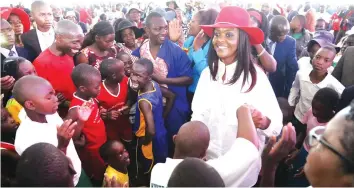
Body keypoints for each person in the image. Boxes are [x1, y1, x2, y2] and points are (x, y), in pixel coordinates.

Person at [191, 6, 282, 160]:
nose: (220, 40)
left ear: (243, 39)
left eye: (229, 35)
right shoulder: (208, 74)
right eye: (217, 34)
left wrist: (264, 122)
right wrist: (196, 146)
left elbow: (276, 126)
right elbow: (198, 115)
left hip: (242, 166)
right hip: (209, 161)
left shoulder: (256, 77)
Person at [151, 105, 262, 187]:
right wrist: (243, 110)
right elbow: (248, 150)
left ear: (174, 139)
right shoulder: (210, 175)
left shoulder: (158, 170)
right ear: (204, 154)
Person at [132, 12, 192, 157]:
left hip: (174, 102)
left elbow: (188, 78)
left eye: (165, 28)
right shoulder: (141, 50)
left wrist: (163, 80)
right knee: (155, 140)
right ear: (146, 30)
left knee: (174, 138)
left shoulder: (175, 51)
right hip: (152, 105)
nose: (163, 32)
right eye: (157, 29)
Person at [12, 75, 89, 186]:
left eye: (53, 93)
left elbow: (69, 139)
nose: (56, 99)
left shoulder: (49, 113)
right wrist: (61, 145)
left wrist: (81, 121)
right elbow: (48, 175)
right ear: (30, 105)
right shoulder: (26, 140)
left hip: (77, 171)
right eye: (49, 98)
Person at [284, 88, 340, 187]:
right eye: (313, 107)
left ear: (332, 109)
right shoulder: (311, 112)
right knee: (292, 176)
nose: (314, 112)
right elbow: (305, 130)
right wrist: (297, 149)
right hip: (304, 151)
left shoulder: (334, 128)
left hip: (319, 161)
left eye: (318, 110)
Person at [289, 46, 344, 144]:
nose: (320, 62)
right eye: (318, 57)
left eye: (326, 60)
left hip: (317, 122)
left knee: (308, 144)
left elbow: (345, 100)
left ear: (331, 64)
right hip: (298, 115)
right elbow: (295, 88)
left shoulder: (334, 85)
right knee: (293, 139)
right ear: (313, 57)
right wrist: (291, 104)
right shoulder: (301, 74)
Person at [33, 20, 83, 117]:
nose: (79, 46)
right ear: (59, 38)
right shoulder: (41, 63)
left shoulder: (68, 53)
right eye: (75, 42)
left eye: (80, 42)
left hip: (75, 109)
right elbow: (40, 98)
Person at [67, 64, 107, 185]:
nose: (100, 88)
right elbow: (72, 135)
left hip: (101, 142)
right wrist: (81, 121)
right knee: (99, 174)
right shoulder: (75, 109)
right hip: (92, 150)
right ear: (83, 88)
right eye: (96, 87)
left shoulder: (90, 97)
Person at [130, 58, 168, 184]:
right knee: (159, 162)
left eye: (139, 76)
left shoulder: (144, 101)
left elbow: (150, 130)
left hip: (148, 139)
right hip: (161, 132)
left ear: (149, 77)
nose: (134, 78)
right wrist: (162, 117)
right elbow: (171, 96)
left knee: (148, 166)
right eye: (132, 73)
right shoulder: (154, 85)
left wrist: (144, 142)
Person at [183, 8, 218, 105]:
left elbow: (207, 73)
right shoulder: (190, 40)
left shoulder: (214, 45)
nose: (189, 23)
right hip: (185, 89)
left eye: (193, 21)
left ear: (203, 25)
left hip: (200, 93)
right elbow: (181, 62)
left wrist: (198, 50)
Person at [97, 59, 131, 142]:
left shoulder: (126, 81)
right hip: (110, 129)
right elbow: (95, 112)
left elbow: (132, 96)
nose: (125, 72)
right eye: (122, 71)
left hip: (127, 125)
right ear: (114, 76)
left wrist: (128, 105)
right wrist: (106, 115)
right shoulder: (98, 91)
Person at [268, 15, 298, 98]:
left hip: (276, 84)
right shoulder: (261, 39)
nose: (284, 37)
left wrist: (288, 93)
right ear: (270, 32)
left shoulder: (290, 42)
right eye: (280, 35)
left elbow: (292, 68)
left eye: (286, 34)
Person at [3, 57, 36, 123]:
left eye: (34, 71)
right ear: (14, 79)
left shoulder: (39, 92)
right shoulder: (13, 106)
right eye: (28, 73)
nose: (35, 76)